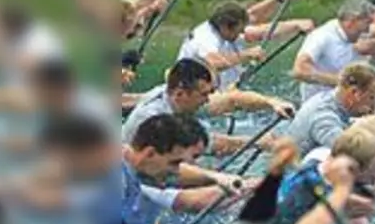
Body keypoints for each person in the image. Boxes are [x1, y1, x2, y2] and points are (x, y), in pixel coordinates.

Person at [122, 57, 294, 154]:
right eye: (204, 94)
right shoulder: (156, 118)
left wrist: (272, 102)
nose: (207, 99)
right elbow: (206, 144)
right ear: (181, 93)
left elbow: (231, 100)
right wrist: (256, 142)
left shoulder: (175, 95)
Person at [178, 0, 314, 90]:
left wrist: (280, 1)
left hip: (218, 93)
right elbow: (214, 62)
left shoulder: (224, 28)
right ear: (226, 27)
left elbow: (253, 16)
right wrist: (247, 55)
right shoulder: (205, 39)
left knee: (252, 33)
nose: (241, 33)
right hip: (192, 94)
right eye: (239, 31)